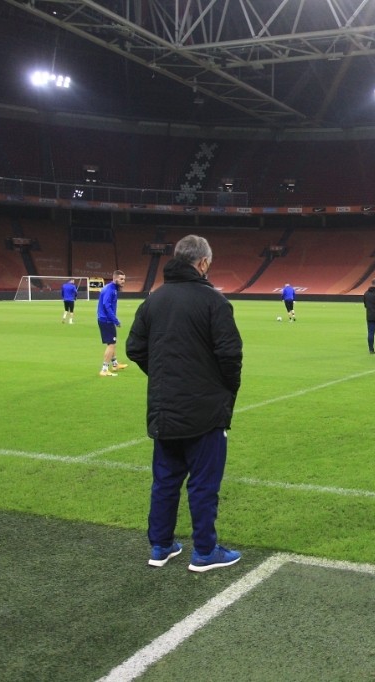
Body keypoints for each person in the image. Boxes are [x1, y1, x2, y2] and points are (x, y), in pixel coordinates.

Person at [126, 235, 243, 572]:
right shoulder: (213, 301)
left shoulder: (154, 300)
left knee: (165, 480)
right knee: (203, 483)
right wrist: (225, 389)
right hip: (204, 410)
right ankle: (205, 551)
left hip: (164, 407)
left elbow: (135, 348)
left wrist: (162, 375)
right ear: (203, 263)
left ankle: (161, 546)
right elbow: (230, 353)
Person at [97, 270, 127, 376]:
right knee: (111, 344)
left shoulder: (112, 288)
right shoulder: (110, 290)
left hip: (105, 319)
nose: (123, 281)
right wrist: (115, 320)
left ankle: (115, 364)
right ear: (115, 279)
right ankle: (104, 369)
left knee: (112, 343)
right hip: (107, 320)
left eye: (124, 279)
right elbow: (106, 305)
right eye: (121, 279)